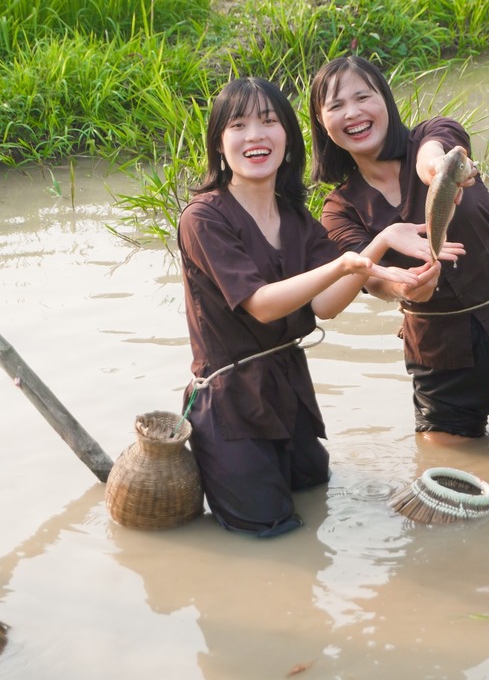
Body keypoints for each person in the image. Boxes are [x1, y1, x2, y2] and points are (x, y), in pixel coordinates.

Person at [177, 76, 463, 537]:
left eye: (268, 122)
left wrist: (381, 247)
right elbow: (262, 305)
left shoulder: (295, 217)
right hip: (231, 402)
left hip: (289, 390)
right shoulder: (204, 217)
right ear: (218, 143)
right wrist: (348, 262)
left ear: (288, 139)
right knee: (269, 531)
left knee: (315, 490)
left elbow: (326, 305)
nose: (255, 136)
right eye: (239, 125)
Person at [309, 55, 489, 444]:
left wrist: (437, 171)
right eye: (336, 106)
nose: (353, 113)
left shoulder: (435, 134)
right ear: (322, 123)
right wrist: (406, 288)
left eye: (363, 97)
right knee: (447, 471)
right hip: (439, 353)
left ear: (385, 100)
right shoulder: (339, 209)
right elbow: (372, 281)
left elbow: (434, 155)